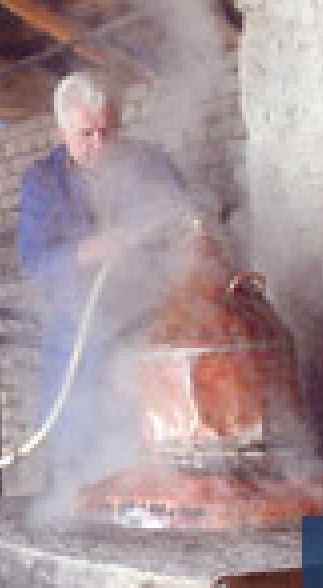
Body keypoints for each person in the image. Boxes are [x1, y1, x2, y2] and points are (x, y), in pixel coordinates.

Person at [17, 71, 200, 483]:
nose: (100, 144)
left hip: (146, 325)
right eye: (87, 135)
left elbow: (187, 222)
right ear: (63, 133)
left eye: (108, 131)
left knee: (154, 447)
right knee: (80, 455)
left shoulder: (150, 163)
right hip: (79, 337)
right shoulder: (42, 182)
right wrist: (93, 250)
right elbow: (35, 263)